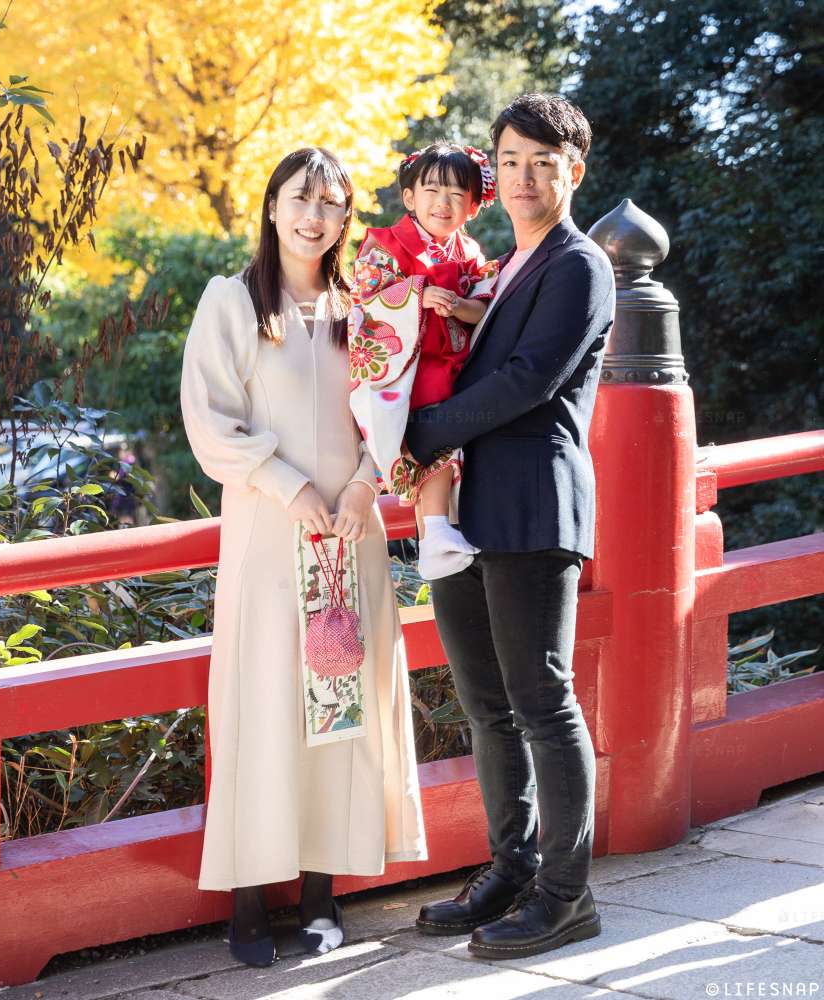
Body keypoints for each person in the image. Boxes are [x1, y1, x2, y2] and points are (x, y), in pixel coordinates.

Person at [180, 147, 427, 968]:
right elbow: (212, 421)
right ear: (273, 205)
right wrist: (288, 486)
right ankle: (249, 900)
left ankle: (320, 895)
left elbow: (388, 419)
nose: (313, 216)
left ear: (345, 217)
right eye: (299, 198)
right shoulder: (233, 302)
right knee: (263, 711)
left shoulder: (367, 308)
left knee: (337, 713)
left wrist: (363, 488)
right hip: (267, 536)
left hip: (348, 542)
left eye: (329, 203)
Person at [405, 93, 616, 959]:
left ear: (574, 170)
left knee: (542, 701)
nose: (527, 177)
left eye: (544, 162)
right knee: (488, 707)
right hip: (467, 508)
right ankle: (513, 867)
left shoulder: (578, 265)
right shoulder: (502, 268)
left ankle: (567, 895)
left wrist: (419, 435)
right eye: (513, 162)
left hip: (533, 503)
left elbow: (529, 379)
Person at [348, 141, 499, 581]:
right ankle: (433, 531)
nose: (443, 203)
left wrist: (457, 306)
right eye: (432, 191)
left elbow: (483, 306)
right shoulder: (384, 244)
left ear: (473, 206)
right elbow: (366, 302)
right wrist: (416, 294)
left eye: (457, 195)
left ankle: (442, 532)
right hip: (411, 368)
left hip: (456, 362)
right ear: (410, 197)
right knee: (439, 425)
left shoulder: (468, 253)